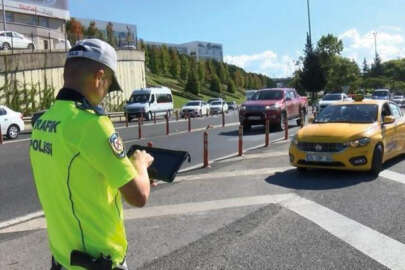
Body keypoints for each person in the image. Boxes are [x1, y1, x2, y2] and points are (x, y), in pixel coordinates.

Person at [30, 39, 154, 270]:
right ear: (99, 77)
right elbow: (139, 196)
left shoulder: (43, 122)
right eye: (108, 85)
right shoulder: (92, 125)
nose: (105, 93)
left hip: (62, 257)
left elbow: (76, 177)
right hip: (97, 260)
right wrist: (140, 164)